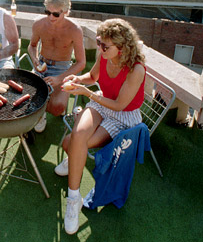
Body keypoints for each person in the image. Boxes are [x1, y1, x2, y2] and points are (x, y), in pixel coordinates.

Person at [56, 18, 146, 234]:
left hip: (123, 116)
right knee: (77, 137)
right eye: (98, 42)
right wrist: (78, 79)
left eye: (105, 45)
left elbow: (119, 105)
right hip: (101, 102)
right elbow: (93, 76)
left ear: (123, 47)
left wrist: (86, 93)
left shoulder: (136, 70)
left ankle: (72, 195)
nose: (100, 48)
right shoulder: (104, 56)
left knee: (75, 143)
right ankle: (75, 196)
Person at [28, 0, 86, 133]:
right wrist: (35, 59)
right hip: (41, 64)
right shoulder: (39, 24)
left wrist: (60, 78)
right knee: (25, 93)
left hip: (63, 69)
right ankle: (40, 114)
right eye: (47, 12)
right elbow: (32, 46)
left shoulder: (75, 30)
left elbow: (81, 63)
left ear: (65, 11)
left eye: (56, 14)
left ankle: (42, 107)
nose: (51, 17)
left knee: (58, 107)